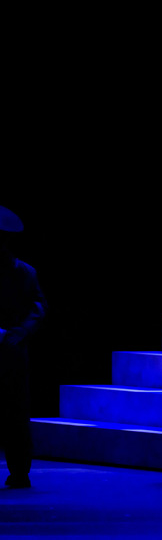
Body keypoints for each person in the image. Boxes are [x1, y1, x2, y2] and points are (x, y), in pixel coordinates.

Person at [0, 206, 45, 489]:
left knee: (15, 411)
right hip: (11, 346)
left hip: (11, 351)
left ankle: (19, 470)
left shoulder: (24, 272)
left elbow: (38, 307)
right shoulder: (23, 271)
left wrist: (20, 332)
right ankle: (19, 471)